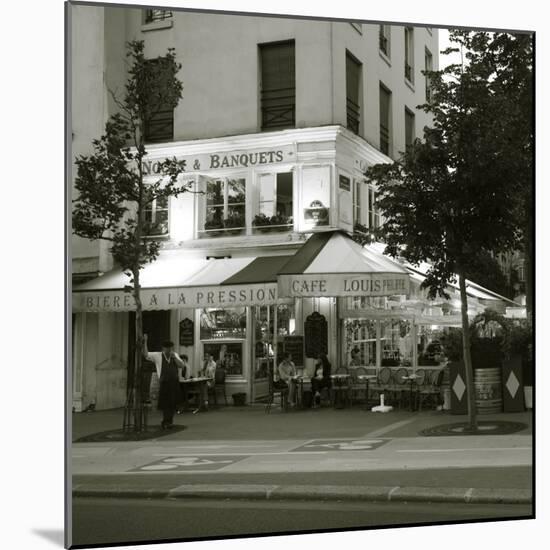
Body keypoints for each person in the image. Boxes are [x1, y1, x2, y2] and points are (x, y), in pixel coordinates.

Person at [143, 334, 186, 429]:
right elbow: (145, 354)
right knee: (166, 403)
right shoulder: (157, 355)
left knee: (173, 403)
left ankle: (169, 421)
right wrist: (145, 341)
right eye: (167, 348)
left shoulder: (175, 355)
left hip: (174, 382)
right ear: (163, 348)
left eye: (170, 348)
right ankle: (165, 422)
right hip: (164, 382)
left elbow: (182, 366)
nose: (169, 350)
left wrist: (174, 358)